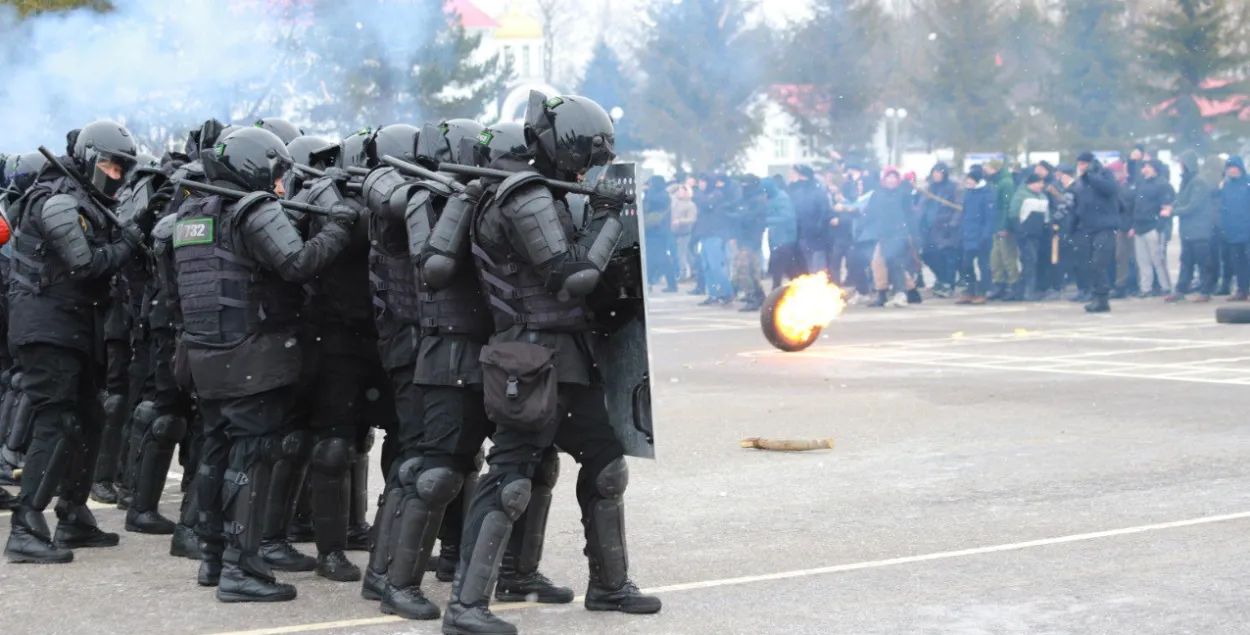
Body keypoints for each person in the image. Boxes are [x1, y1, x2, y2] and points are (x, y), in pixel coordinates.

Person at [448, 93, 660, 635]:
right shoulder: (524, 194)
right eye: (587, 154)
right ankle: (466, 606)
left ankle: (610, 586)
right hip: (528, 358)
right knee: (511, 481)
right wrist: (611, 216)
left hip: (565, 358)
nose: (590, 166)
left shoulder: (545, 191)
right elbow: (571, 277)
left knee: (608, 467)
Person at [174, 126, 357, 602]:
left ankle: (214, 559)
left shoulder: (192, 213)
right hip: (250, 356)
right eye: (276, 177)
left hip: (206, 355)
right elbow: (297, 264)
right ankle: (243, 568)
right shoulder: (252, 209)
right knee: (249, 459)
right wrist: (339, 225)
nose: (280, 187)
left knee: (214, 454)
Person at [4, 121, 144, 563]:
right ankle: (26, 526)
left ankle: (73, 515)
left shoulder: (83, 200)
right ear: (88, 159)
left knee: (89, 418)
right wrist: (128, 242)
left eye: (122, 168)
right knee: (58, 421)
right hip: (47, 327)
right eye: (110, 164)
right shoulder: (60, 199)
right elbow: (84, 265)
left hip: (73, 328)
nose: (116, 175)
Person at [286, 127, 401, 582]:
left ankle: (385, 537)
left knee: (405, 444)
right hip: (335, 341)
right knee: (333, 448)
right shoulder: (327, 200)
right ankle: (329, 551)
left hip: (385, 338)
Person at [1073, 152, 1122, 313]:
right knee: (1090, 265)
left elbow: (1110, 189)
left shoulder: (1104, 174)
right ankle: (1096, 297)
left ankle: (1102, 298)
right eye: (1079, 164)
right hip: (1087, 227)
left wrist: (1092, 176)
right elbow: (1079, 204)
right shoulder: (1081, 182)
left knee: (1098, 263)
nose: (1080, 167)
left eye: (1083, 164)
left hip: (1105, 227)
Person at [861, 167, 912, 307]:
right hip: (882, 235)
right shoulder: (877, 195)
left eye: (894, 177)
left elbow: (910, 215)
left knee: (897, 263)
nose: (892, 180)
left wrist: (910, 233)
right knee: (879, 264)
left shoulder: (903, 195)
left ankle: (901, 293)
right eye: (889, 177)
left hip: (899, 234)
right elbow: (870, 215)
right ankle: (882, 294)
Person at [1168, 151, 1215, 302]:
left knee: (1203, 262)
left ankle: (1206, 291)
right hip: (1188, 230)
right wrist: (1171, 207)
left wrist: (1173, 211)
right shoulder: (1186, 181)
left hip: (1199, 230)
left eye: (1181, 162)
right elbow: (1179, 201)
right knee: (1186, 261)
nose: (1180, 166)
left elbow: (1194, 206)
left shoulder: (1198, 182)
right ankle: (1181, 290)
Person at [1129, 160, 1174, 298]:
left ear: (1155, 169)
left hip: (1153, 228)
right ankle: (1145, 288)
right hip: (1139, 227)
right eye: (1144, 167)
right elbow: (1136, 205)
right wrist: (1133, 225)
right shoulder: (1141, 183)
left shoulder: (1163, 185)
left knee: (1158, 260)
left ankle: (1165, 287)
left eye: (1147, 167)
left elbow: (1167, 207)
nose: (1144, 170)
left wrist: (1159, 227)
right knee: (1142, 261)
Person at [956, 165, 995, 305]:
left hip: (981, 237)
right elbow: (964, 214)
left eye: (970, 180)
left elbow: (989, 219)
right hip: (968, 235)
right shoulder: (968, 193)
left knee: (983, 265)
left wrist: (985, 236)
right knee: (965, 264)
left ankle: (983, 292)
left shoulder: (987, 194)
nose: (968, 182)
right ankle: (969, 291)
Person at [920, 163, 960, 298]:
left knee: (948, 256)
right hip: (930, 228)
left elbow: (958, 207)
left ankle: (948, 283)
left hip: (946, 228)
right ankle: (941, 279)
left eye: (939, 172)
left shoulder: (952, 188)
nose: (936, 175)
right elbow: (922, 206)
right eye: (934, 172)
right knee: (928, 254)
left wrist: (952, 223)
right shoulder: (930, 188)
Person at [984, 160, 1019, 301]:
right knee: (995, 258)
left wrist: (1005, 226)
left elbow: (1006, 205)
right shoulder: (995, 182)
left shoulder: (1006, 183)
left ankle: (1013, 285)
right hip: (995, 225)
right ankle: (999, 283)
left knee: (1007, 257)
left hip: (1003, 226)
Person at [1012, 173, 1050, 301]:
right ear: (1030, 184)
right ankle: (1028, 291)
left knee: (1032, 262)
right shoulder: (1020, 195)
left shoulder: (1043, 197)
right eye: (1038, 183)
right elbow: (1013, 214)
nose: (1041, 186)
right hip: (1025, 235)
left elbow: (1046, 217)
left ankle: (1021, 291)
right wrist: (1019, 231)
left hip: (1038, 235)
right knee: (1030, 261)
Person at [1217, 156, 1250, 302]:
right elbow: (1223, 208)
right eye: (1229, 168)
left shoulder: (1247, 183)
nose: (1232, 170)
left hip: (1247, 230)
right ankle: (1242, 290)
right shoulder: (1226, 186)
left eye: (1234, 167)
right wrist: (1224, 227)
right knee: (1238, 263)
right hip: (1233, 231)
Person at [642, 175, 675, 292]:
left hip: (656, 231)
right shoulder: (661, 195)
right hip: (657, 231)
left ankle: (650, 282)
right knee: (659, 258)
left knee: (657, 259)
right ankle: (669, 284)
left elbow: (649, 204)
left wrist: (646, 192)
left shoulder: (659, 196)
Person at [668, 175, 697, 282]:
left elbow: (692, 219)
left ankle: (684, 276)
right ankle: (685, 272)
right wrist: (678, 185)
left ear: (687, 193)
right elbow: (668, 191)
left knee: (682, 255)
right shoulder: (674, 201)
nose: (679, 193)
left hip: (684, 233)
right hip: (673, 232)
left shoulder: (690, 205)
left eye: (682, 191)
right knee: (677, 254)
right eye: (678, 191)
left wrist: (680, 221)